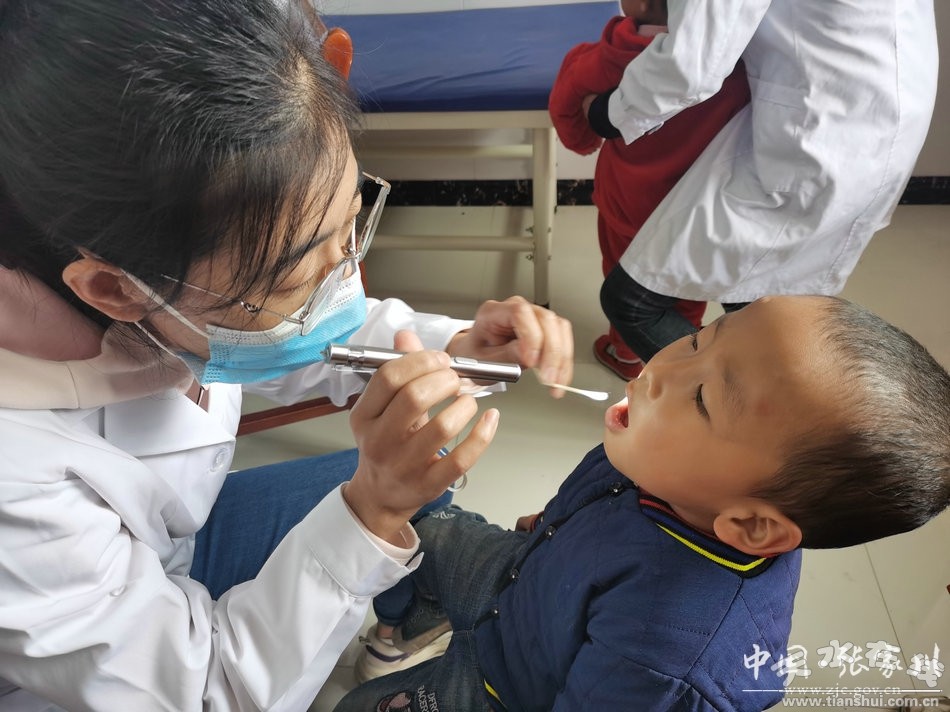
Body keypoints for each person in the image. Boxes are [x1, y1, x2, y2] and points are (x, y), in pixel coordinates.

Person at [0, 0, 575, 709]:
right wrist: (370, 512)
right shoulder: (15, 477)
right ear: (116, 290)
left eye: (350, 226)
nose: (345, 276)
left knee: (425, 475)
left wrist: (456, 349)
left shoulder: (170, 291)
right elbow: (203, 691)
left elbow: (310, 339)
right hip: (109, 669)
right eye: (296, 277)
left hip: (178, 540)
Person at [336, 295, 950, 712]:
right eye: (698, 339)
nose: (660, 372)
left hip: (505, 686)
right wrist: (553, 527)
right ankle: (400, 630)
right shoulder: (667, 459)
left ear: (751, 525)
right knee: (418, 525)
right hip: (526, 575)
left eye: (703, 397)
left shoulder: (671, 664)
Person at [579, 0, 938, 362]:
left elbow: (692, 63)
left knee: (632, 302)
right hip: (882, 111)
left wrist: (606, 114)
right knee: (756, 297)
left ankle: (729, 394)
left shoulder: (603, 53)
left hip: (818, 137)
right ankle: (757, 387)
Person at [549, 0, 749, 379]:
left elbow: (568, 113)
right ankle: (678, 339)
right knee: (683, 284)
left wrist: (586, 138)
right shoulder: (740, 58)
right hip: (699, 209)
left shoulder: (607, 56)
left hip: (628, 205)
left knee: (623, 278)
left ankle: (626, 354)